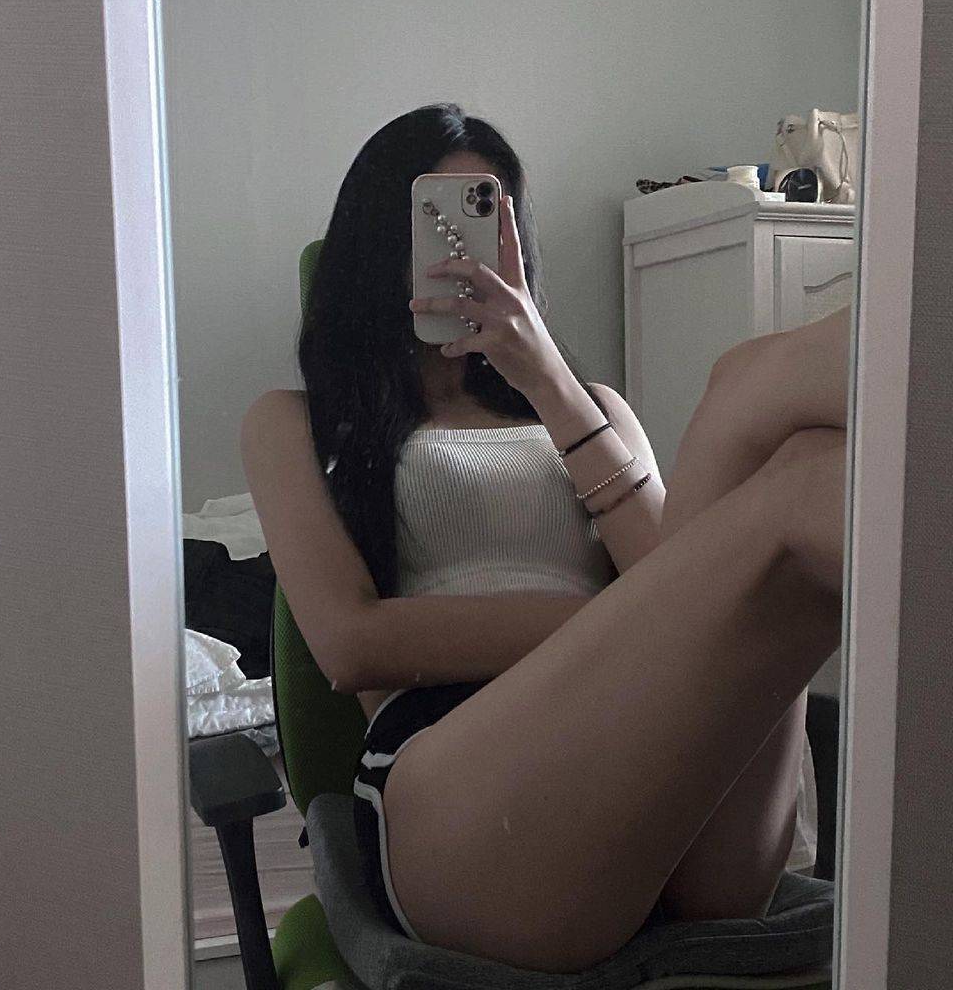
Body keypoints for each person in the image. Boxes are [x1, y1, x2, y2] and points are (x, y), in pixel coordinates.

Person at [241, 103, 847, 974]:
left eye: (491, 220)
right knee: (781, 487)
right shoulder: (294, 423)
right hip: (460, 808)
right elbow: (352, 643)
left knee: (784, 434)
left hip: (689, 828)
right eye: (438, 220)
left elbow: (679, 577)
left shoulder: (592, 407)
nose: (466, 252)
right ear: (379, 242)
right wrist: (613, 624)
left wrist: (551, 382)